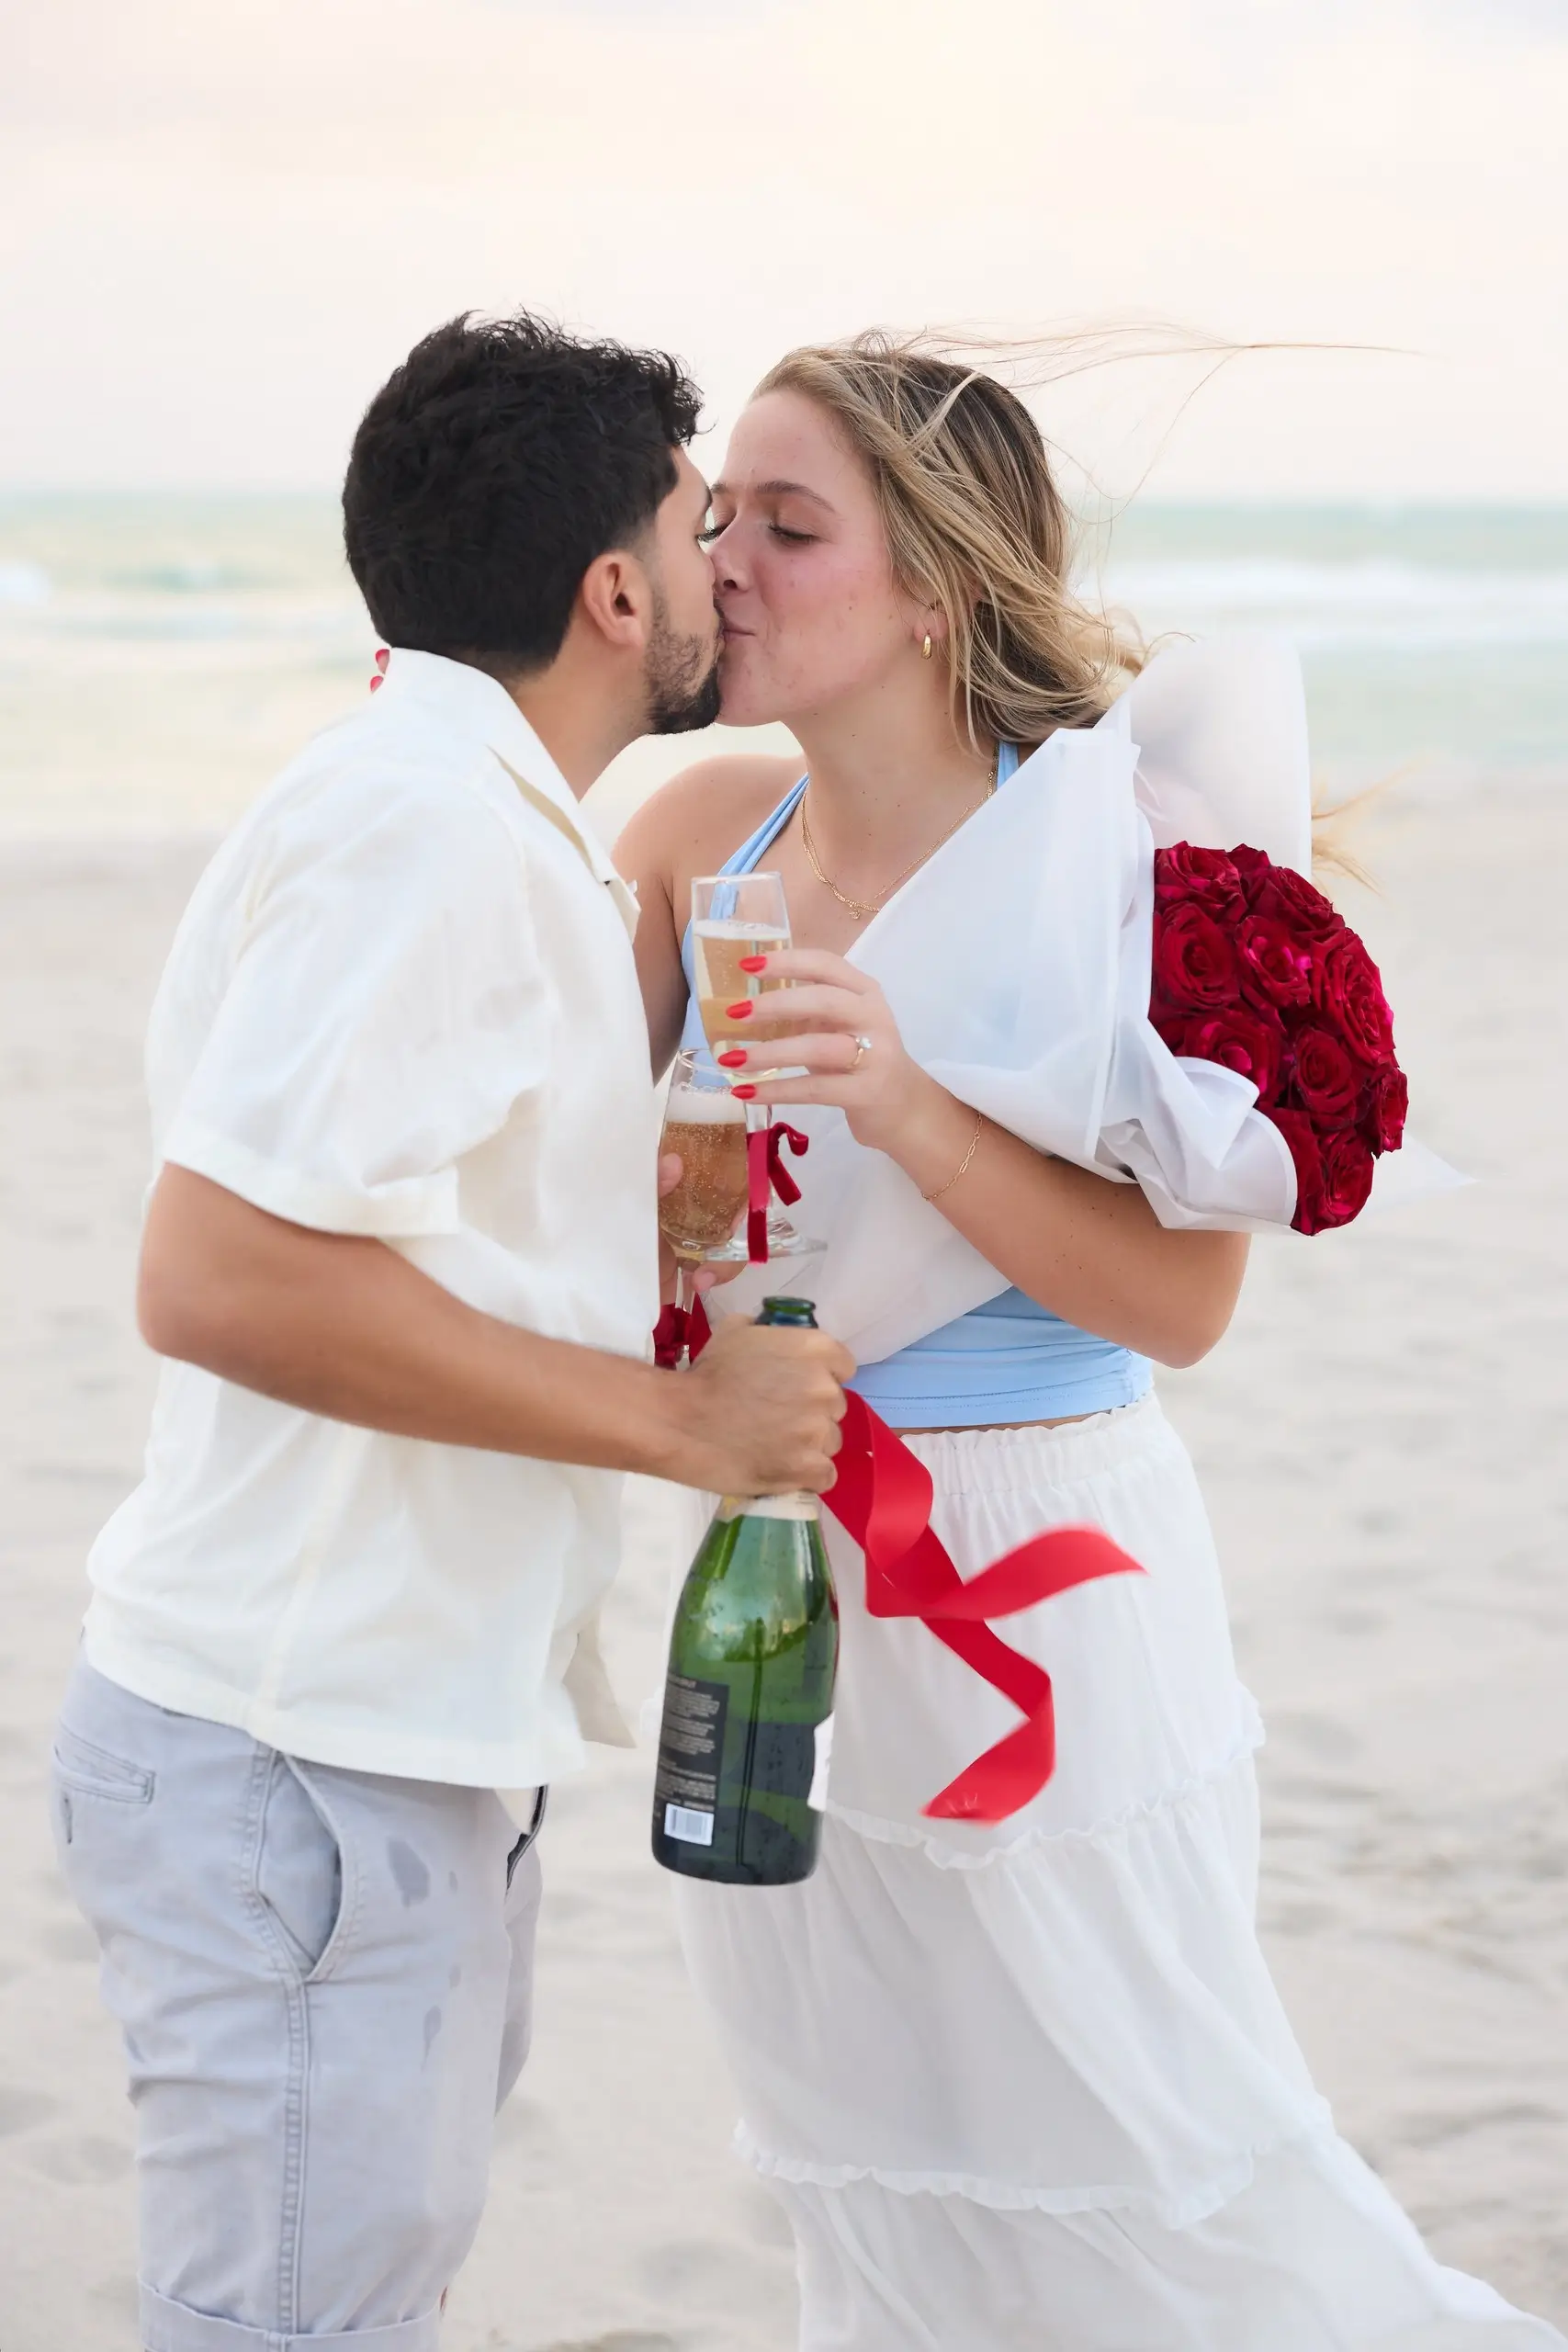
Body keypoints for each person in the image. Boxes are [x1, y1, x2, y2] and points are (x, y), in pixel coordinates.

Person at [615, 335, 1562, 2348]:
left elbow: (1184, 1308)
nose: (735, 566)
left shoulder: (1110, 853)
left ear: (938, 582)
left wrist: (909, 1106)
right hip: (781, 1571)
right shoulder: (701, 831)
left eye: (794, 526)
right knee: (862, 2183)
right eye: (717, 523)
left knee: (1155, 2168)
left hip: (1045, 1582)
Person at [50, 310, 852, 2352]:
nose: (723, 573)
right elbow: (218, 1272)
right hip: (305, 1748)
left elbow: (391, 1225)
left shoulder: (476, 816)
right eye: (698, 528)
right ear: (610, 592)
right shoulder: (435, 832)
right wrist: (679, 1423)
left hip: (369, 1735)